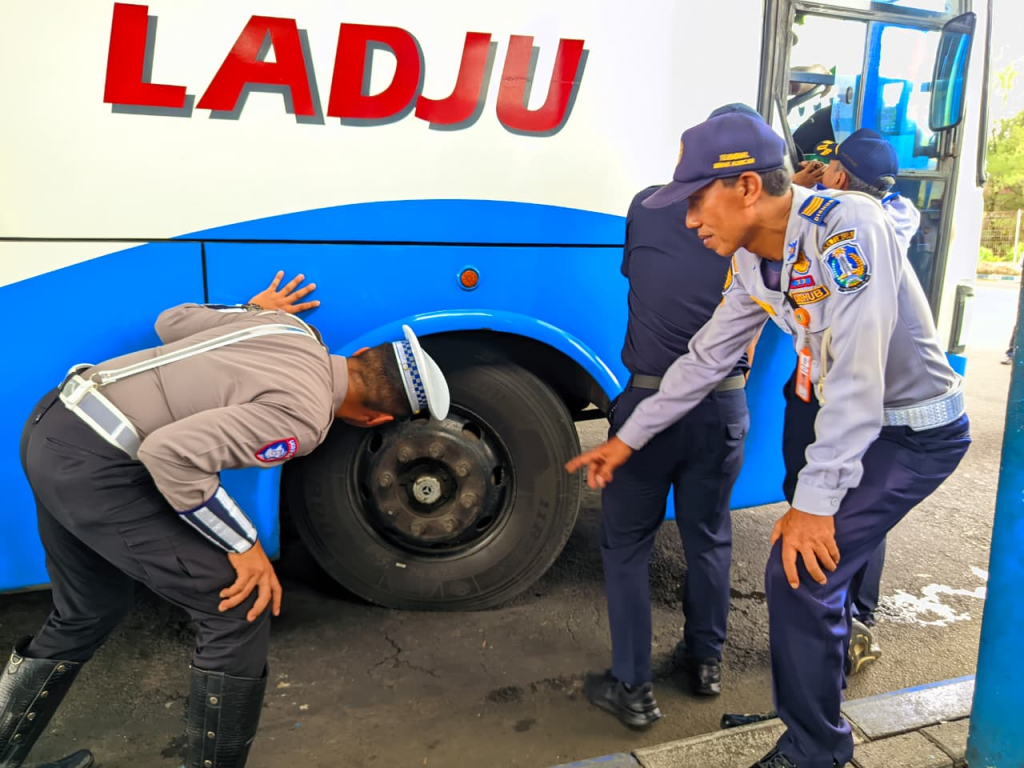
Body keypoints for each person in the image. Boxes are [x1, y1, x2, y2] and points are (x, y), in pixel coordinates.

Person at [566, 113, 971, 768]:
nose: (692, 220)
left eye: (699, 201)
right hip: (865, 425)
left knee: (802, 572)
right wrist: (628, 438)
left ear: (747, 188)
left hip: (915, 434)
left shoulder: (849, 228)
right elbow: (702, 361)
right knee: (806, 576)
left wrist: (812, 507)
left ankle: (817, 748)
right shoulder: (756, 265)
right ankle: (808, 715)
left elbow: (859, 377)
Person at [3, 272, 449, 768]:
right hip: (94, 464)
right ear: (375, 420)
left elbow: (170, 321)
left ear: (363, 356)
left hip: (54, 424)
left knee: (90, 608)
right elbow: (168, 455)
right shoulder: (304, 418)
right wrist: (244, 547)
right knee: (238, 609)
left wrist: (253, 310)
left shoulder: (290, 330)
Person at [584, 103, 760, 730]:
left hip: (650, 402)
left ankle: (632, 688)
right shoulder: (759, 233)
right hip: (724, 404)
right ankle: (706, 663)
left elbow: (636, 271)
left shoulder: (646, 206)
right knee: (708, 535)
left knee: (627, 545)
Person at [790, 127, 922, 672]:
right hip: (862, 391)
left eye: (831, 168)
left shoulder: (847, 222)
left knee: (832, 506)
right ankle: (856, 615)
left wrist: (801, 189)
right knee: (861, 510)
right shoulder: (897, 212)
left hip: (839, 389)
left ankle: (841, 627)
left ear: (840, 176)